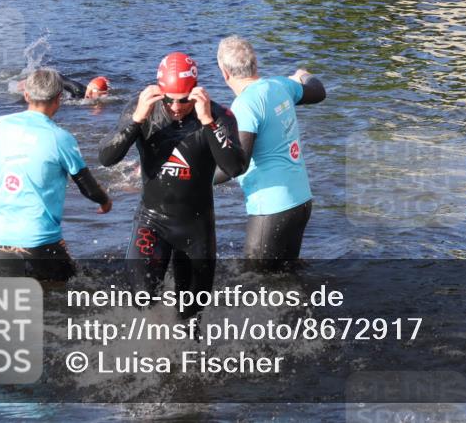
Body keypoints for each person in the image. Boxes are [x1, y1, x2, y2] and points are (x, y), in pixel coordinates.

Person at [99, 52, 246, 318]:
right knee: (142, 299)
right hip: (152, 221)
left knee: (191, 315)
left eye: (184, 100)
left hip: (196, 227)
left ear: (196, 91)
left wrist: (207, 122)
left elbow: (235, 167)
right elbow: (106, 158)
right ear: (159, 91)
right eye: (169, 100)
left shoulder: (218, 115)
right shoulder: (142, 109)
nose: (176, 107)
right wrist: (136, 120)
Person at [0, 69, 112, 281]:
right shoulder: (61, 138)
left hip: (0, 237)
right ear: (59, 98)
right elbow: (88, 187)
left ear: (26, 95)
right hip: (40, 239)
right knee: (74, 288)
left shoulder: (0, 125)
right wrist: (105, 202)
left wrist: (15, 184)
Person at [214, 36, 326, 265]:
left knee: (256, 280)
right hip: (301, 201)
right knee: (288, 276)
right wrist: (303, 75)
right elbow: (318, 91)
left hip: (272, 208)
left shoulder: (245, 105)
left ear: (224, 73)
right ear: (255, 64)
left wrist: (191, 178)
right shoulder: (280, 85)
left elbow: (237, 165)